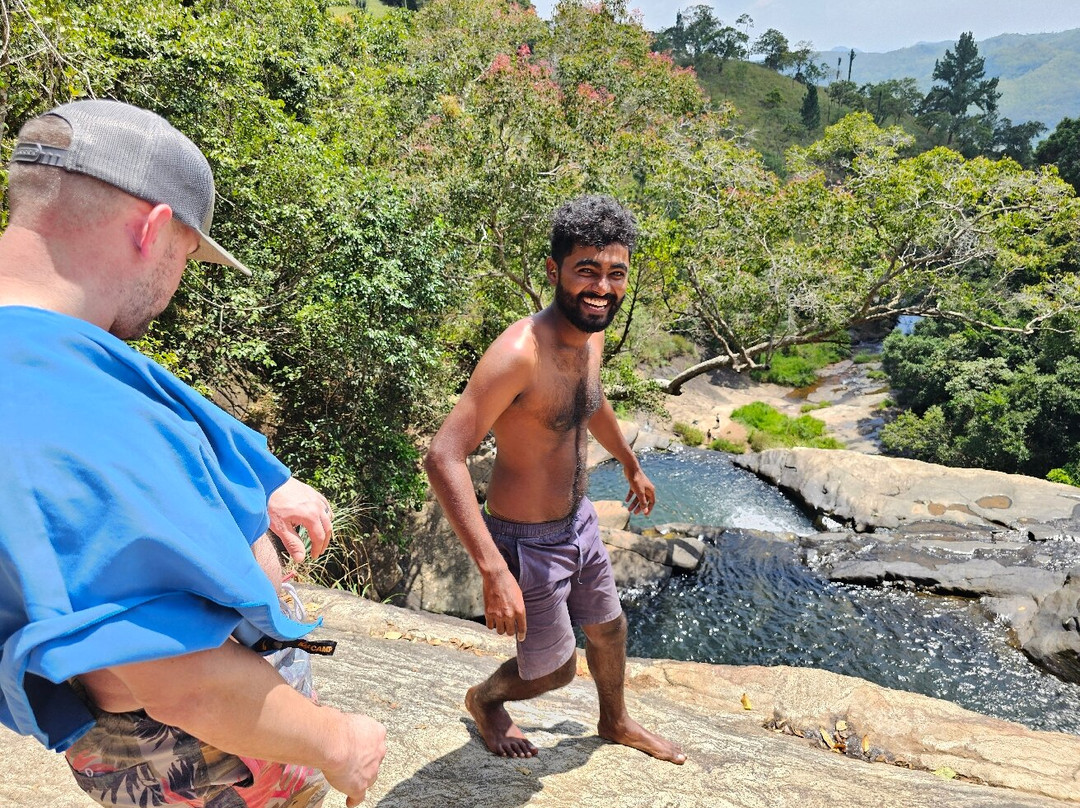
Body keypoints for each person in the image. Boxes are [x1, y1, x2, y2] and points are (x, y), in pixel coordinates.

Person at [0, 99, 386, 807]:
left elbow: (152, 413)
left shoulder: (49, 351)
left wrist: (263, 482)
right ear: (152, 228)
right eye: (186, 253)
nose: (177, 287)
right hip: (199, 760)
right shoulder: (55, 405)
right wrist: (340, 743)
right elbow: (180, 681)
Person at [424, 195, 685, 765]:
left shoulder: (590, 335)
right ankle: (486, 700)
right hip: (526, 539)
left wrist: (631, 463)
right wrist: (494, 570)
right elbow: (443, 455)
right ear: (554, 272)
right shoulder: (518, 353)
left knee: (610, 630)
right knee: (556, 670)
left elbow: (590, 403)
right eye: (586, 270)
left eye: (615, 273)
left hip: (581, 522)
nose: (602, 287)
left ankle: (614, 721)